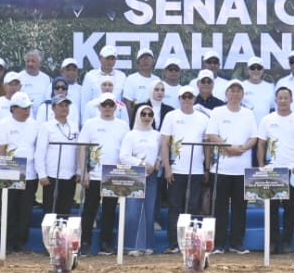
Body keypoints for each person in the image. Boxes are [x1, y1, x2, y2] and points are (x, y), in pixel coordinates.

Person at [204, 80, 257, 253]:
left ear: (243, 95)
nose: (235, 94)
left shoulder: (248, 113)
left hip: (242, 168)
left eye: (238, 91)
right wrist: (228, 148)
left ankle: (236, 243)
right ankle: (218, 243)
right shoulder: (217, 112)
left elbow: (254, 138)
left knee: (240, 207)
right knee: (219, 207)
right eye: (232, 91)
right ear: (226, 94)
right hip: (221, 168)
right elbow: (211, 134)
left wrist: (241, 149)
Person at [257, 85, 294, 254]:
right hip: (272, 169)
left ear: (291, 100)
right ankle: (272, 243)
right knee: (271, 208)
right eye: (280, 98)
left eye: (286, 98)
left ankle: (287, 242)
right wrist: (261, 166)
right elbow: (261, 144)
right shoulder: (267, 120)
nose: (283, 101)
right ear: (276, 100)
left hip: (292, 170)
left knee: (289, 208)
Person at [160, 86, 208, 253]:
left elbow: (206, 145)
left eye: (190, 97)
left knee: (194, 206)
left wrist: (206, 168)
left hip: (196, 170)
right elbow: (164, 144)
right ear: (179, 98)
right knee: (175, 206)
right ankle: (174, 244)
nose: (187, 100)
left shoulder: (203, 118)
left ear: (194, 99)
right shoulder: (171, 116)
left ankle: (192, 243)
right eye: (184, 97)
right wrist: (167, 168)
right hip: (176, 170)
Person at [81, 94, 129, 256]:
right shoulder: (90, 124)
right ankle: (85, 242)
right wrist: (83, 172)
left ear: (115, 107)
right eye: (104, 105)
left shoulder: (123, 126)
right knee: (90, 209)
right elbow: (82, 149)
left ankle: (105, 243)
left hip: (114, 174)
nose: (107, 108)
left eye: (110, 105)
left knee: (109, 210)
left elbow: (126, 150)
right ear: (99, 107)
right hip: (94, 173)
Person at [0, 93, 40, 253]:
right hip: (10, 171)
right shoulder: (4, 124)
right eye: (23, 108)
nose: (26, 111)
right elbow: (0, 149)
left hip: (30, 173)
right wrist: (3, 171)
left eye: (28, 108)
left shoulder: (35, 124)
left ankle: (21, 242)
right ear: (13, 108)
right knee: (9, 208)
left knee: (25, 209)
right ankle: (6, 242)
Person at [118, 101, 162, 255]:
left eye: (150, 114)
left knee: (149, 211)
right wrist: (141, 164)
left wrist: (157, 162)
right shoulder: (131, 135)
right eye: (143, 114)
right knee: (133, 211)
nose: (147, 117)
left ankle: (148, 245)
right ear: (138, 116)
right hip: (134, 175)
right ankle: (132, 246)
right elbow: (123, 156)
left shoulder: (157, 135)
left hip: (151, 177)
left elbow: (161, 153)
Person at [38, 93, 81, 218]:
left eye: (66, 105)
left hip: (70, 176)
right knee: (50, 211)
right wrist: (42, 174)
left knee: (65, 211)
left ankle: (62, 237)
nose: (64, 108)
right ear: (53, 108)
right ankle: (48, 237)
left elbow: (78, 150)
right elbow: (40, 152)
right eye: (60, 105)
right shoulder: (46, 127)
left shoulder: (74, 126)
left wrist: (79, 171)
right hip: (51, 175)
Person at [122, 49, 160, 119]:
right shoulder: (131, 79)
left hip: (153, 120)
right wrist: (133, 122)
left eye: (148, 58)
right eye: (142, 58)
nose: (145, 61)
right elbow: (128, 103)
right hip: (137, 120)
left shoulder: (157, 79)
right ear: (137, 62)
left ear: (153, 61)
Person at [240, 56, 276, 124]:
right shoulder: (241, 86)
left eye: (259, 68)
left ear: (263, 70)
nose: (256, 70)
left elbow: (273, 110)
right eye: (252, 68)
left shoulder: (270, 87)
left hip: (265, 128)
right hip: (246, 126)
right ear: (248, 70)